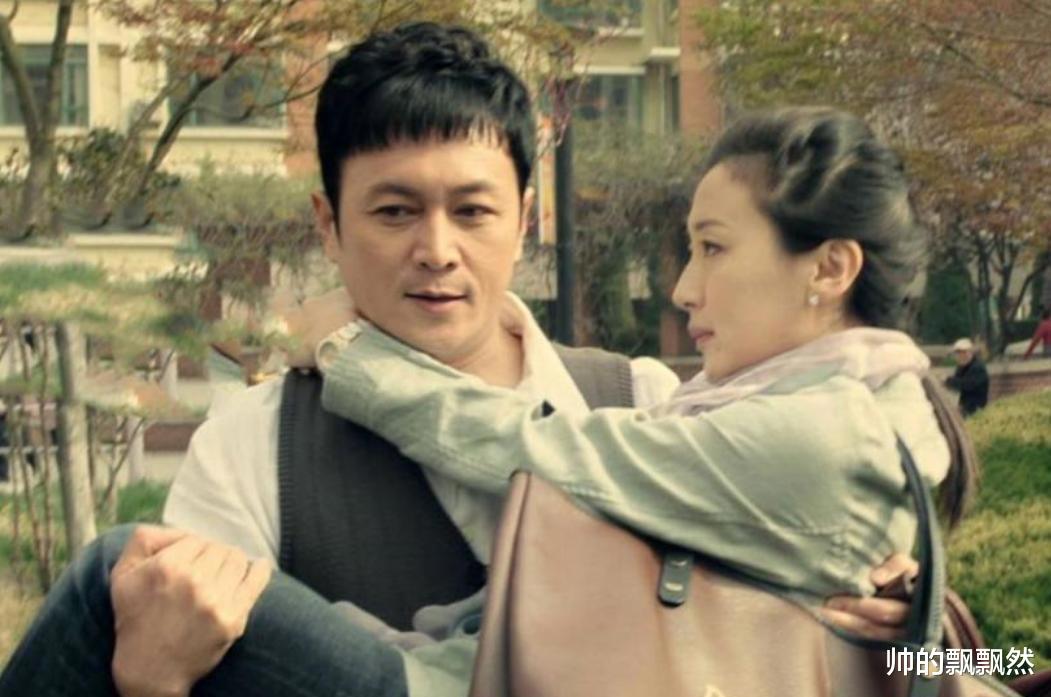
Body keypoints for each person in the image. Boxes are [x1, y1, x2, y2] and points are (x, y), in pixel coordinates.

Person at [0, 29, 917, 697]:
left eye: (472, 212)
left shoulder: (644, 398)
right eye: (394, 211)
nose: (436, 251)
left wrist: (899, 619)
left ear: (524, 219)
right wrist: (148, 685)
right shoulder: (253, 446)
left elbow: (927, 654)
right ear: (328, 224)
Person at [945, 337, 989, 416]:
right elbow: (956, 385)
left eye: (965, 353)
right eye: (958, 353)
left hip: (976, 411)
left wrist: (948, 380)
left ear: (971, 353)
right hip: (964, 409)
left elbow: (967, 384)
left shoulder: (978, 368)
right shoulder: (961, 367)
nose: (962, 356)